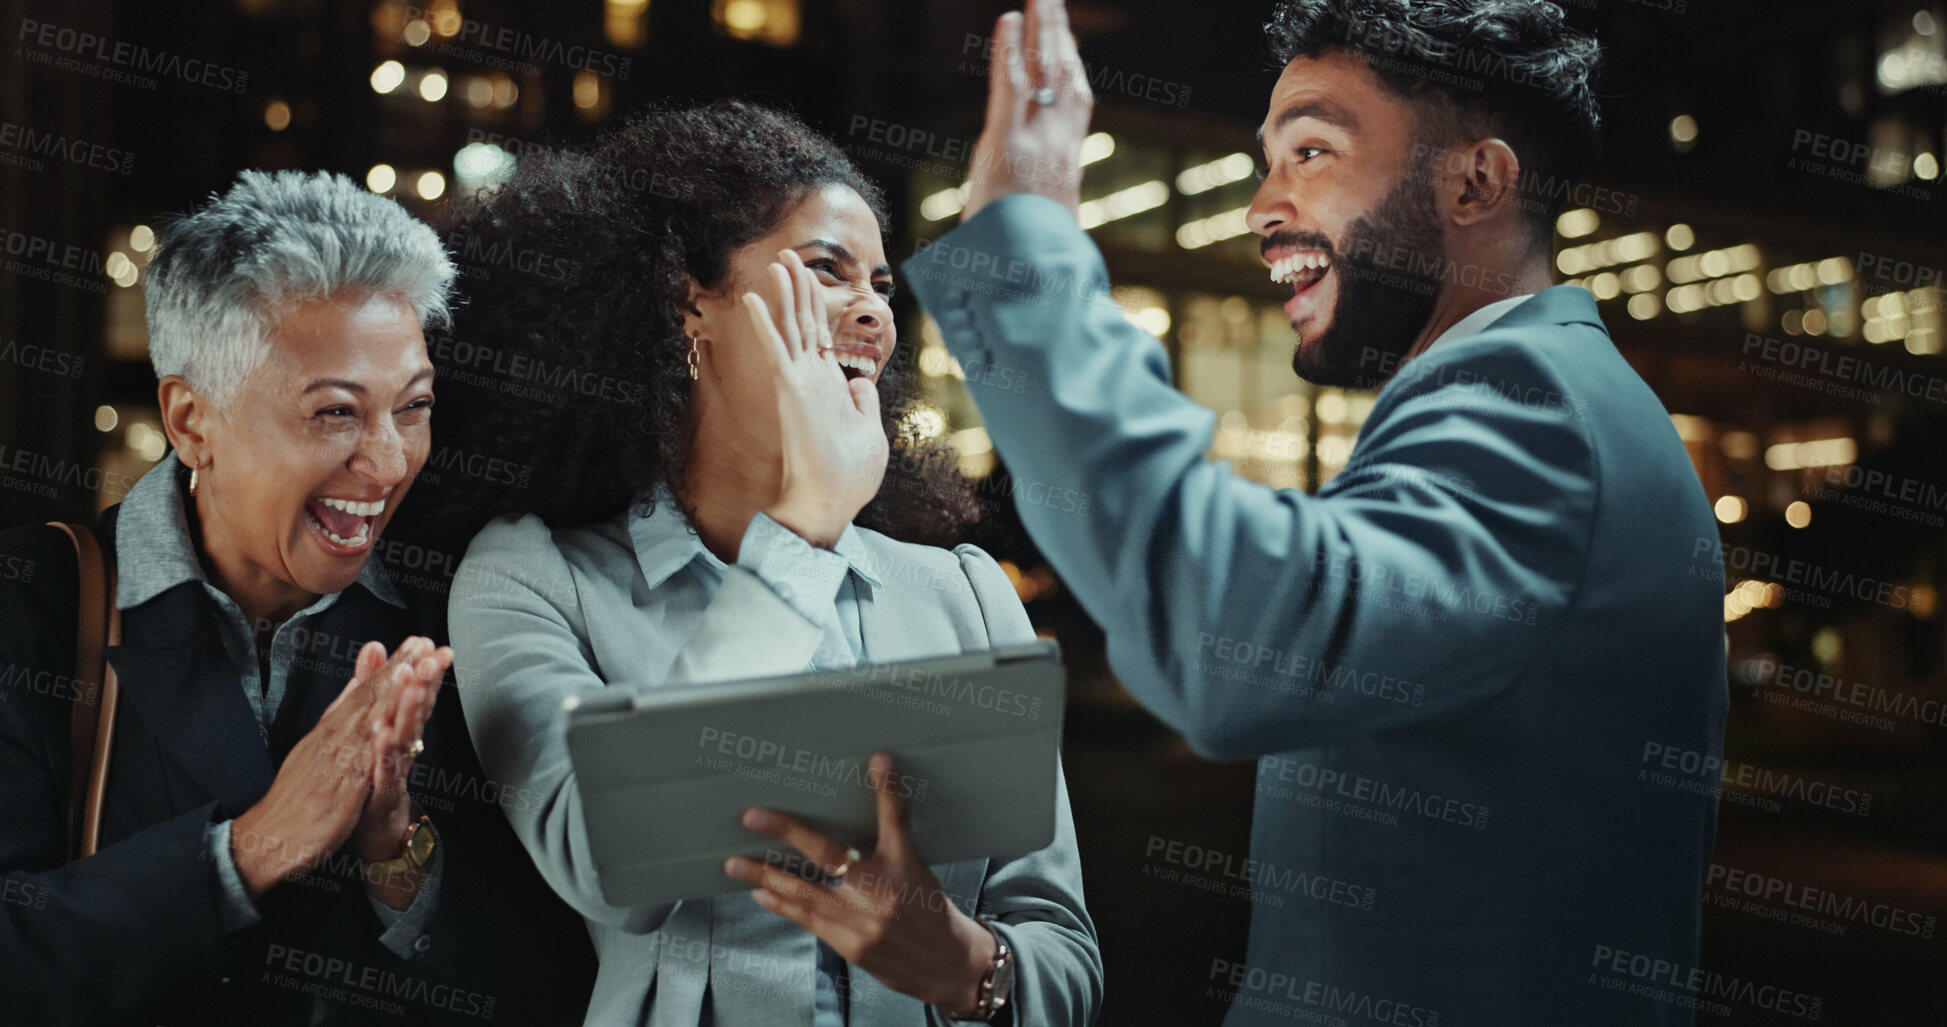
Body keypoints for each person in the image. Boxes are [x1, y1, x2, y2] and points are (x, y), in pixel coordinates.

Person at [904, 0, 1726, 1022]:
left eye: (1311, 151)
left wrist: (1023, 255)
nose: (1262, 204)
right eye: (1266, 159)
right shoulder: (1519, 403)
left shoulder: (1538, 407)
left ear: (1476, 181)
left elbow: (1239, 642)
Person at [439, 99, 1102, 1027]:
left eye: (879, 284)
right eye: (825, 270)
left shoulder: (963, 593)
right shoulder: (534, 578)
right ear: (690, 303)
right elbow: (605, 861)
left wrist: (965, 965)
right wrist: (802, 533)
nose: (871, 309)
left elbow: (1065, 953)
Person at [0, 170, 594, 1025]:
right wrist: (247, 851)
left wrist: (396, 853)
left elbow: (538, 975)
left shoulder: (463, 609)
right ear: (190, 419)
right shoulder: (34, 607)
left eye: (414, 407)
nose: (389, 463)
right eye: (335, 414)